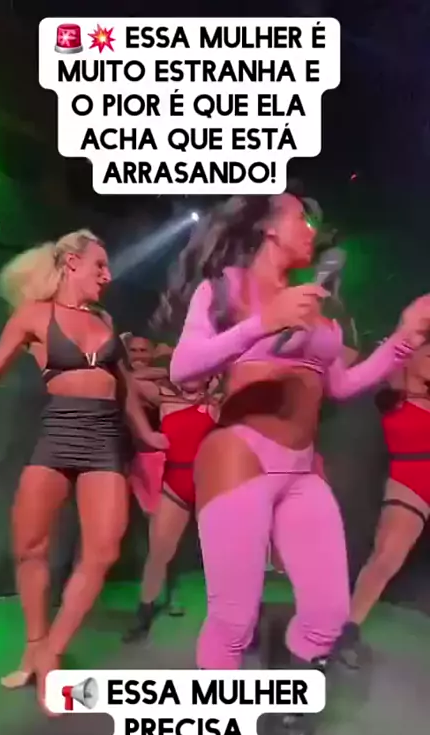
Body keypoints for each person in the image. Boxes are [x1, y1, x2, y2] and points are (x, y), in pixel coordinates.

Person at [159, 192, 430, 691]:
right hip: (239, 456)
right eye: (301, 219)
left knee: (328, 615)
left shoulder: (314, 303)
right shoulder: (226, 287)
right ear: (268, 227)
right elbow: (183, 367)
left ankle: (288, 706)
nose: (311, 230)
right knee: (233, 621)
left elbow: (341, 385)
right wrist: (263, 323)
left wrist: (403, 338)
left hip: (301, 468)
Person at [0, 229, 167, 710]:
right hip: (57, 435)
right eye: (99, 266)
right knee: (30, 547)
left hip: (104, 439)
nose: (107, 276)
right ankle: (34, 644)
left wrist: (146, 434)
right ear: (71, 263)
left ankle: (52, 652)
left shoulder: (105, 319)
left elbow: (124, 386)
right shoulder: (35, 315)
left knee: (103, 549)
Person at [125, 376, 220, 641]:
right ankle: (143, 616)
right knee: (158, 554)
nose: (191, 377)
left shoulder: (216, 402)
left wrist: (217, 378)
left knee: (225, 555)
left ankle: (240, 618)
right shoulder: (164, 398)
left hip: (209, 484)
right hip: (174, 483)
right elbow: (128, 384)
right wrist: (146, 432)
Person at [348, 343, 430, 637]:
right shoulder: (393, 386)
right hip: (410, 480)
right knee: (386, 558)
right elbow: (345, 356)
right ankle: (346, 631)